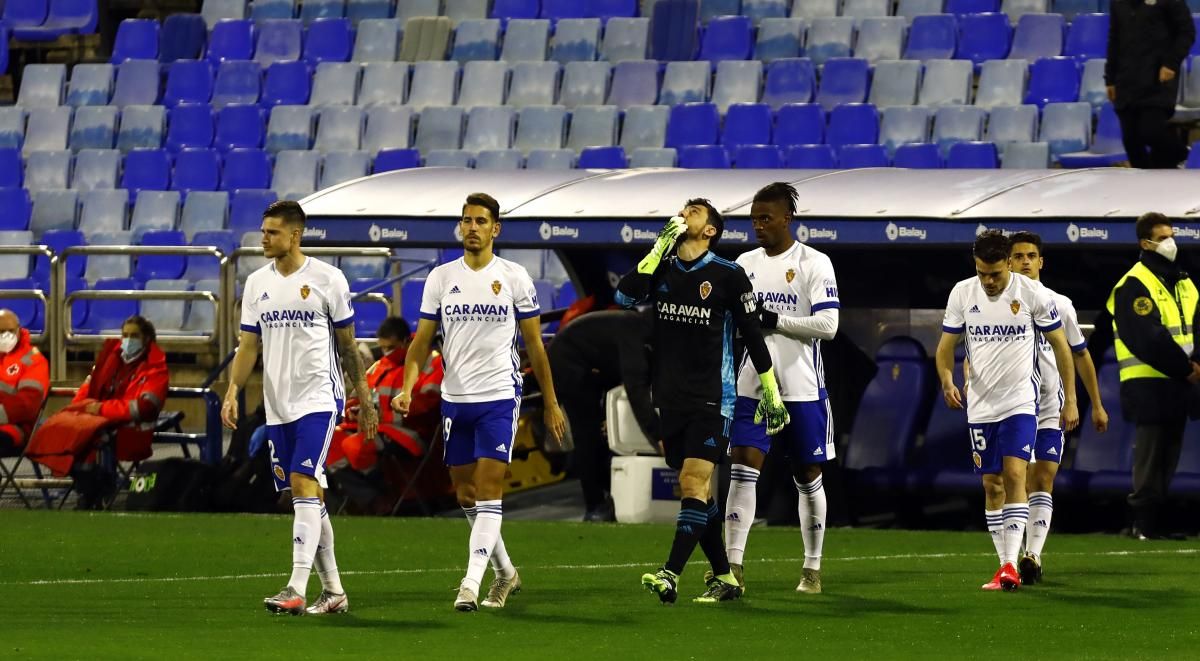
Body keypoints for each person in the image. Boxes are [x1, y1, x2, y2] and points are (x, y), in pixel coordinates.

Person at [394, 192, 566, 612]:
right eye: (467, 220)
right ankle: (506, 573)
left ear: (496, 229)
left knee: (490, 491)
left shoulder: (513, 277)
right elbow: (420, 343)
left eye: (480, 221)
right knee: (466, 495)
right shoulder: (440, 278)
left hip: (499, 397)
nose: (472, 228)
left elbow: (534, 346)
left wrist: (550, 402)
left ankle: (471, 584)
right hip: (456, 399)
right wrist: (407, 385)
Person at [616, 199, 788, 605]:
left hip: (714, 397)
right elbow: (624, 299)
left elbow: (751, 332)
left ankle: (669, 574)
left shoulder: (728, 274)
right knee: (698, 494)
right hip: (671, 398)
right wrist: (657, 250)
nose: (683, 214)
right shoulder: (662, 267)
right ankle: (726, 577)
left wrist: (771, 390)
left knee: (693, 482)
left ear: (710, 230)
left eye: (693, 211)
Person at [222, 200, 377, 616]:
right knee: (305, 494)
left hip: (319, 398)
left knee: (304, 479)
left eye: (272, 232)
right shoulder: (257, 284)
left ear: (295, 234)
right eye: (263, 230)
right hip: (278, 404)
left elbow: (347, 345)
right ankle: (334, 591)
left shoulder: (329, 279)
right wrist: (233, 391)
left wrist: (363, 397)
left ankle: (295, 587)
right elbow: (248, 345)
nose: (264, 238)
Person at [935, 230, 1079, 592]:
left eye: (995, 274)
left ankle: (1014, 566)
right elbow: (944, 347)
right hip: (980, 406)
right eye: (982, 273)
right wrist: (947, 379)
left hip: (1020, 402)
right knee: (991, 483)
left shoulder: (1032, 295)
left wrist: (1071, 398)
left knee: (1017, 475)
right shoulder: (961, 293)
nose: (988, 281)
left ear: (1008, 265)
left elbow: (1063, 348)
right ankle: (1004, 564)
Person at [718, 182, 840, 595]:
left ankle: (812, 567)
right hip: (753, 385)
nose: (758, 225)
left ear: (788, 218)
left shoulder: (814, 263)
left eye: (765, 218)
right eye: (753, 218)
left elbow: (829, 326)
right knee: (742, 467)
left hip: (803, 388)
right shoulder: (742, 264)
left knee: (807, 474)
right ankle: (732, 566)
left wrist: (774, 319)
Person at [1004, 231, 1109, 584]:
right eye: (1018, 256)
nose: (1025, 261)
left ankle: (1032, 555)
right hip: (1013, 405)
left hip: (1051, 403)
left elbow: (1080, 354)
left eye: (1031, 255)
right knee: (1015, 480)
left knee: (1043, 477)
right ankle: (1011, 556)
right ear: (1008, 262)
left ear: (1041, 261)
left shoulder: (1060, 304)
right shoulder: (998, 303)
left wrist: (1090, 403)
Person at [1105, 212, 1200, 540]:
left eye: (1172, 235)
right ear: (1145, 243)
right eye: (1163, 237)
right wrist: (1188, 368)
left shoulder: (1183, 281)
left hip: (1181, 383)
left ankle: (1155, 524)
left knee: (1169, 454)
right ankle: (1141, 524)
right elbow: (1148, 338)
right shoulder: (1134, 284)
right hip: (1149, 382)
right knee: (1150, 457)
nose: (1171, 242)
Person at [27, 315, 168, 509]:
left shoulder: (155, 368)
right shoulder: (110, 361)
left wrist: (101, 409)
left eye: (134, 335)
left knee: (87, 441)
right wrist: (81, 408)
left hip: (131, 430)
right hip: (99, 421)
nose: (127, 340)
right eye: (125, 335)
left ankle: (93, 490)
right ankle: (91, 489)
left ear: (146, 339)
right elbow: (88, 389)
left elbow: (144, 408)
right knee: (63, 430)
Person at [547, 309, 657, 522]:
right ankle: (595, 506)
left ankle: (611, 495)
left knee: (598, 437)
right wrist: (656, 435)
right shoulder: (633, 332)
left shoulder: (643, 332)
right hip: (568, 364)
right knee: (587, 436)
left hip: (592, 366)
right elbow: (636, 390)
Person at [326, 315, 444, 476]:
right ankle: (359, 495)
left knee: (355, 446)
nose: (386, 353)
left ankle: (378, 496)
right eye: (383, 348)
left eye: (391, 347)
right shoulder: (379, 366)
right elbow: (354, 398)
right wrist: (353, 411)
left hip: (412, 433)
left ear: (406, 341)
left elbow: (428, 406)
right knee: (326, 441)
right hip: (375, 428)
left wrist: (382, 416)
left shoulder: (433, 363)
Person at [1106, 0, 1196, 169]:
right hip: (1125, 80)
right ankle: (1149, 185)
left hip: (1157, 79)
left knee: (1151, 132)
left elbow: (1187, 32)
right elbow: (1114, 39)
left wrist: (1171, 63)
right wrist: (1109, 78)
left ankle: (1182, 153)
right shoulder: (1118, 2)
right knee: (1131, 141)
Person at [0, 310, 51, 489]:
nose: (5, 336)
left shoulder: (33, 360)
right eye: (0, 332)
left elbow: (27, 406)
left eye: (9, 331)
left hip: (19, 430)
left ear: (19, 330)